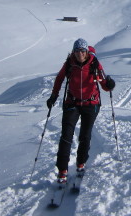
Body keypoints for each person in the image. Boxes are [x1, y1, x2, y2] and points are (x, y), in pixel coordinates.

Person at [47, 38, 116, 183]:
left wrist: (110, 85)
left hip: (91, 103)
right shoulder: (69, 64)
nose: (80, 54)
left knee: (85, 135)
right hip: (72, 103)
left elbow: (104, 83)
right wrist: (54, 96)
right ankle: (62, 170)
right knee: (66, 136)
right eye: (77, 51)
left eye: (82, 51)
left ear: (86, 52)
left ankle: (81, 163)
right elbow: (59, 79)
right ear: (74, 51)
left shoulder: (94, 63)